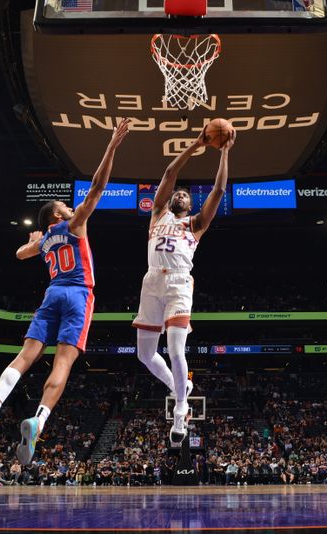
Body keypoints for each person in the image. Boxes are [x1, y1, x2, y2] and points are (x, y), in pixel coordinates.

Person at [0, 119, 131, 465]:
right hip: (77, 294)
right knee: (63, 362)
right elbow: (99, 187)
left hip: (51, 294)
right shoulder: (74, 224)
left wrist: (33, 241)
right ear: (59, 214)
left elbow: (18, 254)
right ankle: (39, 419)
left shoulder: (44, 240)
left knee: (25, 356)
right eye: (66, 205)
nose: (72, 207)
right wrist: (112, 146)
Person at [132, 129, 235, 444]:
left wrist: (224, 151)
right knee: (145, 355)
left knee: (176, 350)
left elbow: (218, 189)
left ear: (190, 204)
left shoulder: (195, 224)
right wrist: (196, 145)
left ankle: (180, 411)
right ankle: (179, 387)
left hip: (178, 284)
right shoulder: (157, 214)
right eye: (177, 192)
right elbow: (169, 172)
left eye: (185, 195)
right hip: (151, 281)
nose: (179, 193)